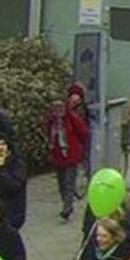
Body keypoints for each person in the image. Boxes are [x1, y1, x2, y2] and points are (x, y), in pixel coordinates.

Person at [45, 83, 91, 221]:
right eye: (55, 107)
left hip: (71, 155)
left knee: (69, 182)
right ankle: (66, 202)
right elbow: (48, 134)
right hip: (58, 156)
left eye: (60, 106)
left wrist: (80, 149)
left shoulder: (72, 118)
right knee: (61, 183)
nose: (58, 109)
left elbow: (84, 132)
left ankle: (67, 207)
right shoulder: (51, 120)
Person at [0, 136, 28, 230]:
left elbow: (13, 187)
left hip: (13, 214)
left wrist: (1, 169)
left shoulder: (17, 164)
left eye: (3, 144)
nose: (0, 147)